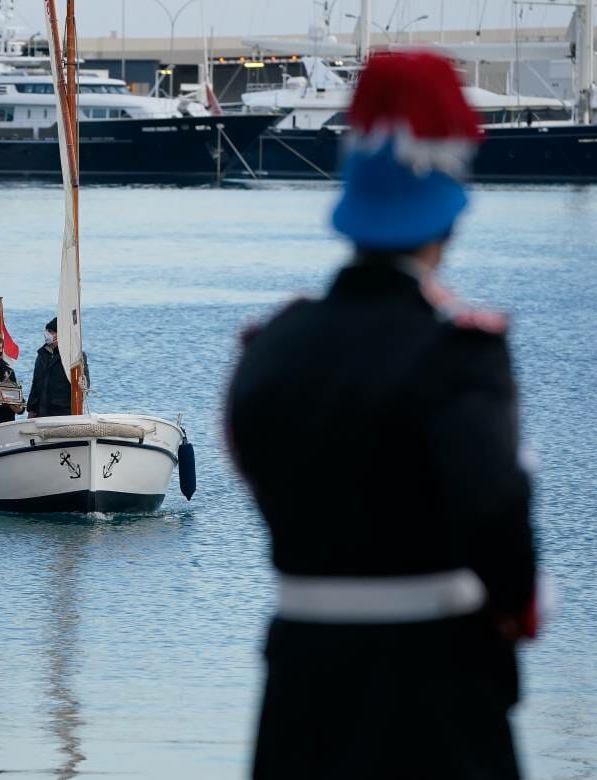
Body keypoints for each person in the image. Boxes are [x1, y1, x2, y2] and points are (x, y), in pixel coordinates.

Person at [225, 52, 537, 779]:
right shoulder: (461, 354)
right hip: (439, 699)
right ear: (449, 210)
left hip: (299, 697)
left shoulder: (270, 350)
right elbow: (498, 520)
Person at [26, 316, 89, 418]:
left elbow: (85, 385)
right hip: (41, 412)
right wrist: (31, 408)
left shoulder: (75, 356)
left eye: (51, 331)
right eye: (47, 331)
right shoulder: (42, 355)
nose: (47, 334)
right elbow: (35, 383)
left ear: (61, 334)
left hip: (63, 412)